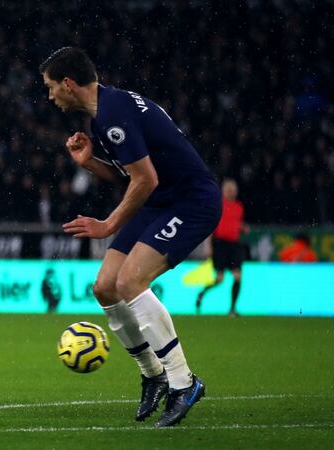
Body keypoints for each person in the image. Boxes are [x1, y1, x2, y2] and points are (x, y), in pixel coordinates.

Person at [40, 47, 222, 428]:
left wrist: (107, 226)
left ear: (69, 84)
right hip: (160, 202)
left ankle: (183, 381)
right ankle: (153, 374)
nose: (50, 95)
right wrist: (89, 162)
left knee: (130, 280)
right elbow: (132, 177)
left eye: (51, 87)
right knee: (105, 287)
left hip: (191, 201)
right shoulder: (104, 114)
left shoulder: (112, 116)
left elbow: (146, 179)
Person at [196, 179, 247, 316]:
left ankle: (232, 309)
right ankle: (202, 293)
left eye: (233, 189)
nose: (231, 191)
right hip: (220, 244)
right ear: (223, 191)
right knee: (220, 278)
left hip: (234, 245)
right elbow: (211, 226)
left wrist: (242, 228)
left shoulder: (239, 207)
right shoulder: (218, 205)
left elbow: (236, 224)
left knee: (237, 276)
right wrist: (208, 246)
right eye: (228, 189)